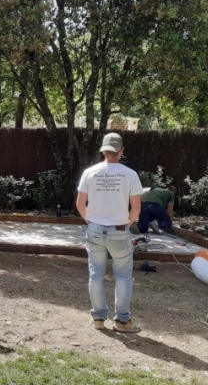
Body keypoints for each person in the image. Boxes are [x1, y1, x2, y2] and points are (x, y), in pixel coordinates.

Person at [76, 133, 143, 332]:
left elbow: (80, 203)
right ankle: (122, 322)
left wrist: (92, 222)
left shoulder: (90, 172)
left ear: (103, 150)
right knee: (122, 276)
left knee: (96, 274)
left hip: (95, 229)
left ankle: (98, 319)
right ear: (121, 151)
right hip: (120, 230)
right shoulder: (130, 174)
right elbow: (136, 208)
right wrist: (127, 225)